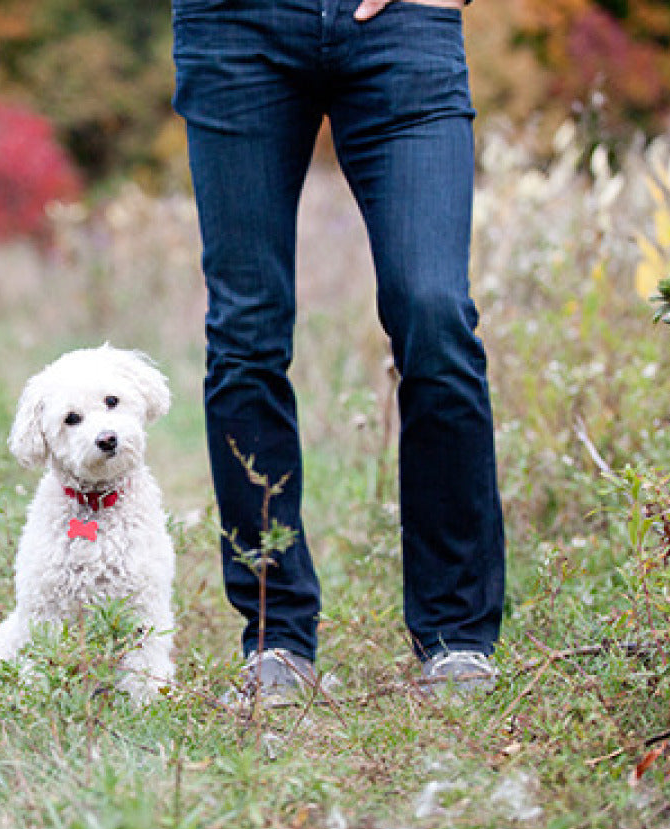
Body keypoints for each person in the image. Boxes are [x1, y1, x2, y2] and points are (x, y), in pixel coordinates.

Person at [172, 0, 504, 701]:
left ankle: (456, 635)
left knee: (434, 310)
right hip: (237, 29)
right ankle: (277, 636)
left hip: (403, 27)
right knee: (246, 331)